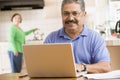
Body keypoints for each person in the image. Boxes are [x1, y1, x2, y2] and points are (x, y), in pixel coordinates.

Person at [44, 0, 111, 73]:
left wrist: (82, 67)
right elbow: (42, 65)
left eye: (75, 13)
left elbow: (105, 67)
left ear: (84, 14)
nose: (70, 18)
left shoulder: (95, 38)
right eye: (66, 13)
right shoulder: (51, 39)